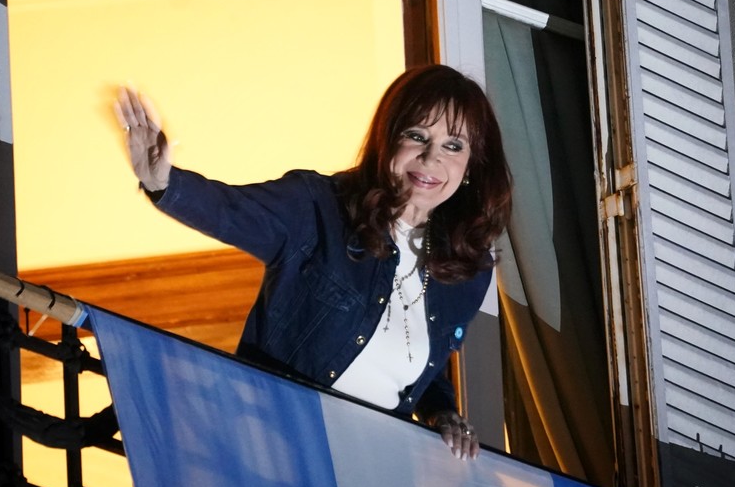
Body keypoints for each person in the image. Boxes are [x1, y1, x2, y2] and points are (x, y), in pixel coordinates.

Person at [113, 64, 512, 460]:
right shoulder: (318, 207)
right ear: (387, 139)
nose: (431, 157)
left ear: (472, 165)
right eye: (416, 135)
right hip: (272, 455)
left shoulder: (467, 269)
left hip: (372, 470)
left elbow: (416, 362)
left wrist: (442, 412)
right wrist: (162, 181)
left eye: (453, 146)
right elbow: (230, 210)